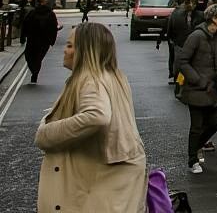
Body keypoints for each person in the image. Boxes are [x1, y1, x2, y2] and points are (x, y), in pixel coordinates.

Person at [34, 22, 147, 213]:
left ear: (85, 51)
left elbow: (96, 116)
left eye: (70, 46)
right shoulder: (113, 76)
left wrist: (47, 132)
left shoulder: (90, 79)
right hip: (114, 179)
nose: (65, 51)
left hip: (96, 184)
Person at [176, 3, 217, 174]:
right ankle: (192, 161)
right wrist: (197, 80)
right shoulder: (197, 36)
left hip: (214, 89)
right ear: (213, 19)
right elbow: (183, 61)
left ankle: (197, 146)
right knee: (197, 126)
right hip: (197, 89)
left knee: (216, 121)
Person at [159, 0, 203, 91]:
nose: (191, 5)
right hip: (180, 44)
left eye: (193, 3)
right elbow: (170, 26)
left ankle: (191, 85)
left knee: (193, 66)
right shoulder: (176, 14)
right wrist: (171, 39)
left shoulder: (201, 15)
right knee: (180, 67)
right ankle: (179, 85)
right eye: (188, 3)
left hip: (195, 46)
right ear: (185, 4)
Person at [21, 0, 59, 84]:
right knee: (36, 57)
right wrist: (52, 40)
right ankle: (35, 71)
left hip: (36, 40)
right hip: (40, 40)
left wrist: (23, 37)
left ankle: (34, 72)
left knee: (30, 56)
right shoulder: (36, 13)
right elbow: (54, 28)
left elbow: (25, 25)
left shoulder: (36, 13)